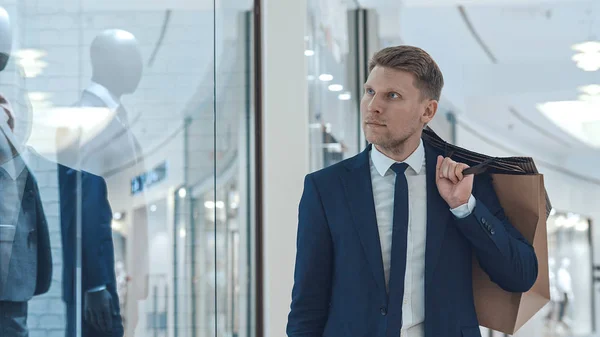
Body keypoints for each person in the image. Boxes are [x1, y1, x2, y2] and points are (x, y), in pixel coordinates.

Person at [286, 45, 538, 337]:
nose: (373, 106)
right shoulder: (326, 188)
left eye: (392, 96)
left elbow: (520, 276)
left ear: (427, 111)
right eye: (370, 92)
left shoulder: (467, 181)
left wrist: (463, 207)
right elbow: (307, 304)